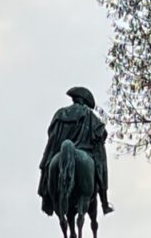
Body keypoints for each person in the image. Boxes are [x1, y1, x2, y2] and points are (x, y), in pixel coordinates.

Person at [38, 87, 113, 215]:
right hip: (84, 150)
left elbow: (52, 137)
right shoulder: (88, 114)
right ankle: (104, 202)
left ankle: (47, 198)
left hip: (59, 152)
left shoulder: (60, 113)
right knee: (101, 164)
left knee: (48, 165)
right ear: (84, 101)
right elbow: (101, 133)